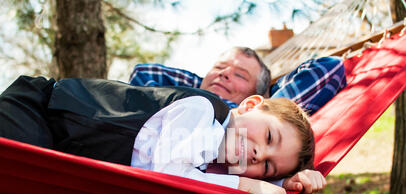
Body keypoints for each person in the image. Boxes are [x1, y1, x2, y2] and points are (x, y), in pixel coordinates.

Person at [0, 75, 326, 194]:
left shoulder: (216, 162)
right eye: (269, 137)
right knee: (15, 175)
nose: (257, 154)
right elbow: (172, 174)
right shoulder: (202, 109)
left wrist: (285, 183)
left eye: (267, 164)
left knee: (34, 190)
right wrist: (255, 183)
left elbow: (208, 177)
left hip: (58, 150)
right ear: (250, 105)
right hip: (34, 108)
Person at [129, 47, 347, 115]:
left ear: (257, 97)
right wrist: (205, 93)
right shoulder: (194, 90)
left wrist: (266, 101)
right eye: (220, 67)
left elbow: (330, 68)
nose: (225, 74)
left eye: (240, 75)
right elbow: (145, 72)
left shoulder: (255, 123)